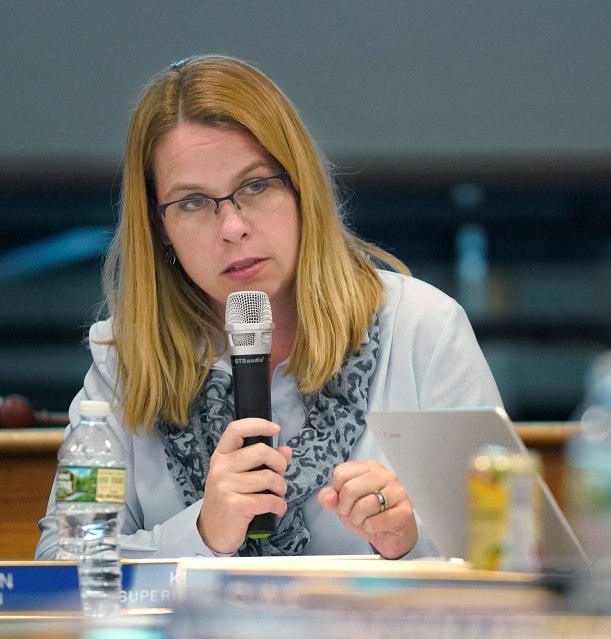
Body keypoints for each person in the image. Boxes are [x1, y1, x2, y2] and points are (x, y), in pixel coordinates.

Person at [36, 54, 502, 561]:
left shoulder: (422, 330)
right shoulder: (121, 360)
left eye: (255, 186)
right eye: (192, 202)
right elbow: (63, 558)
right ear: (159, 229)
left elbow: (509, 552)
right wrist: (203, 532)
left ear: (302, 190)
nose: (232, 227)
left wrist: (410, 541)